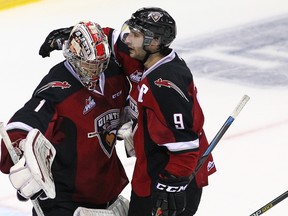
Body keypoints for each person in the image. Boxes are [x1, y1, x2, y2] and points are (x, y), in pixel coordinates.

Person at [38, 7, 217, 216]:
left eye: (135, 35)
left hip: (171, 178)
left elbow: (184, 145)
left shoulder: (164, 83)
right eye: (129, 31)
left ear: (154, 41)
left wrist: (173, 184)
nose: (127, 39)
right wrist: (72, 36)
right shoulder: (140, 57)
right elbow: (110, 39)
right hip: (149, 174)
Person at [0, 21, 131, 216]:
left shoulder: (114, 76)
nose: (95, 71)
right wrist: (19, 149)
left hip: (106, 192)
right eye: (89, 65)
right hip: (67, 203)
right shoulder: (58, 88)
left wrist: (130, 119)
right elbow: (23, 123)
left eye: (100, 64)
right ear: (74, 57)